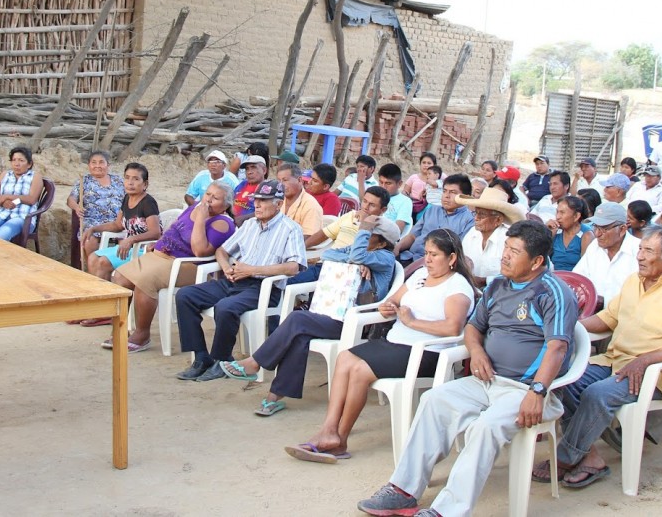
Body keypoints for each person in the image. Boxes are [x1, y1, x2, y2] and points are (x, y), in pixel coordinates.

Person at [356, 221, 578, 517]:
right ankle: (403, 491)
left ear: (537, 261)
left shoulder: (553, 292)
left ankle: (448, 511)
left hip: (526, 389)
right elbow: (473, 328)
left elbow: (558, 347)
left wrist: (537, 392)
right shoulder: (498, 286)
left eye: (514, 251)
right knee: (433, 400)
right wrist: (477, 352)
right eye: (505, 248)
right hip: (487, 380)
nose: (505, 255)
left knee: (486, 427)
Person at [533, 225, 662, 490]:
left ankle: (566, 457)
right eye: (640, 249)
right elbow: (607, 319)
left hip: (652, 373)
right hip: (615, 360)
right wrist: (566, 328)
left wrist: (646, 360)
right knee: (561, 381)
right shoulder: (633, 281)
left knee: (596, 394)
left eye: (648, 251)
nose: (640, 256)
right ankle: (589, 456)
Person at [285, 229, 475, 463]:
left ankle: (340, 439)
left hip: (426, 353)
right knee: (345, 358)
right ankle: (329, 429)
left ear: (452, 258)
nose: (427, 259)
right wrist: (388, 307)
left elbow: (453, 328)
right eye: (426, 253)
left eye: (434, 255)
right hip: (396, 343)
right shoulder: (420, 276)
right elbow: (394, 299)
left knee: (360, 370)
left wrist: (412, 322)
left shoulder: (457, 286)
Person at [217, 216, 400, 415]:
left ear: (381, 243)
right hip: (334, 314)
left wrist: (358, 257)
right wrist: (356, 261)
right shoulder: (360, 253)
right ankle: (274, 397)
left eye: (367, 234)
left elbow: (356, 255)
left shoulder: (385, 258)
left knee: (297, 318)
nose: (360, 236)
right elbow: (328, 254)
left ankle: (254, 364)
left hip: (356, 323)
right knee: (300, 337)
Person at [174, 180, 306, 382]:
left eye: (263, 201)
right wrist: (226, 267)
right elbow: (222, 251)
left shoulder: (290, 229)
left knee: (225, 307)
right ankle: (201, 357)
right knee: (186, 295)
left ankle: (221, 360)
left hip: (263, 288)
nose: (257, 205)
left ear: (279, 204)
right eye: (256, 200)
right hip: (235, 280)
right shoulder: (250, 224)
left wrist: (252, 270)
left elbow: (293, 267)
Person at [108, 182, 236, 351]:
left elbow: (200, 251)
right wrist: (159, 243)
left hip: (189, 265)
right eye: (208, 194)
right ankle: (120, 329)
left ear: (226, 205)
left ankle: (142, 334)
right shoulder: (195, 207)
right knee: (120, 277)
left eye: (215, 198)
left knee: (144, 281)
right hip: (162, 256)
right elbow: (175, 226)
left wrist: (200, 219)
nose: (208, 200)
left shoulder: (223, 223)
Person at [83, 162, 161, 284]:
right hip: (128, 247)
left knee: (103, 262)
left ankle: (108, 294)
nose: (130, 182)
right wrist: (94, 229)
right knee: (93, 257)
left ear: (145, 184)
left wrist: (131, 240)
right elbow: (117, 225)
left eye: (136, 179)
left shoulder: (148, 203)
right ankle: (99, 292)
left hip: (144, 250)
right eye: (127, 178)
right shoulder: (127, 198)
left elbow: (155, 232)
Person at [571, 202, 641, 310]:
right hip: (591, 310)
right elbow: (577, 278)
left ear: (622, 229)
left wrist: (603, 302)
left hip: (625, 314)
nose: (597, 234)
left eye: (604, 229)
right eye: (595, 227)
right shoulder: (595, 246)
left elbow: (640, 295)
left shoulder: (639, 251)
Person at [395, 174, 475, 266]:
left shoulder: (469, 221)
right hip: (408, 256)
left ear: (465, 197)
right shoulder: (432, 210)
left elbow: (459, 251)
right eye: (444, 191)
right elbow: (413, 236)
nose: (446, 196)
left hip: (433, 266)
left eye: (453, 192)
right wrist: (397, 248)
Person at [0, 145, 46, 241]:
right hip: (3, 213)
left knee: (1, 234)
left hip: (23, 217)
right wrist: (2, 202)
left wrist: (6, 196)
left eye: (21, 160)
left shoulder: (35, 176)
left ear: (29, 164)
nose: (16, 164)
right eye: (14, 160)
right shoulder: (5, 175)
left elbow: (31, 199)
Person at [67, 149, 125, 257]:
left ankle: (119, 266)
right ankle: (93, 265)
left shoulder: (118, 180)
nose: (97, 166)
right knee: (90, 240)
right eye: (94, 162)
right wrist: (76, 207)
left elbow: (129, 198)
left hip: (116, 221)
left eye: (101, 162)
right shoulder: (83, 181)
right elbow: (71, 199)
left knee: (125, 239)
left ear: (108, 165)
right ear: (89, 165)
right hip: (92, 221)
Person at [458, 189, 525, 282]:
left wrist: (483, 281)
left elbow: (515, 274)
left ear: (498, 220)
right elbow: (461, 260)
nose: (476, 218)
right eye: (475, 213)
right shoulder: (472, 233)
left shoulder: (508, 239)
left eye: (482, 215)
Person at [306, 187, 391, 254]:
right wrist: (302, 247)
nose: (365, 207)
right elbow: (324, 234)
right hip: (328, 259)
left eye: (372, 205)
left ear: (383, 210)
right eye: (364, 201)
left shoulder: (382, 229)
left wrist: (363, 223)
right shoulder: (351, 215)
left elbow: (361, 253)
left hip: (350, 265)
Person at [276, 163, 323, 236]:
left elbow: (309, 237)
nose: (280, 185)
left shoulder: (311, 206)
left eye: (285, 180)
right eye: (279, 181)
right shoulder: (276, 200)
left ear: (299, 180)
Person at [551, 195, 594, 273]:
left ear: (576, 216)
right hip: (552, 276)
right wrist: (547, 234)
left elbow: (586, 268)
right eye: (557, 212)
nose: (557, 217)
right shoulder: (555, 231)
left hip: (574, 277)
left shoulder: (586, 235)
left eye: (562, 212)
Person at [377, 163, 416, 234]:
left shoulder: (405, 202)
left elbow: (397, 231)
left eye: (388, 183)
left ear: (399, 184)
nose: (383, 187)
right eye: (381, 182)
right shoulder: (376, 196)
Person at [232, 154, 267, 224]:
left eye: (253, 167)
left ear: (264, 170)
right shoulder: (242, 184)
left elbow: (266, 212)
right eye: (247, 169)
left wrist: (243, 219)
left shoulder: (267, 188)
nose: (249, 172)